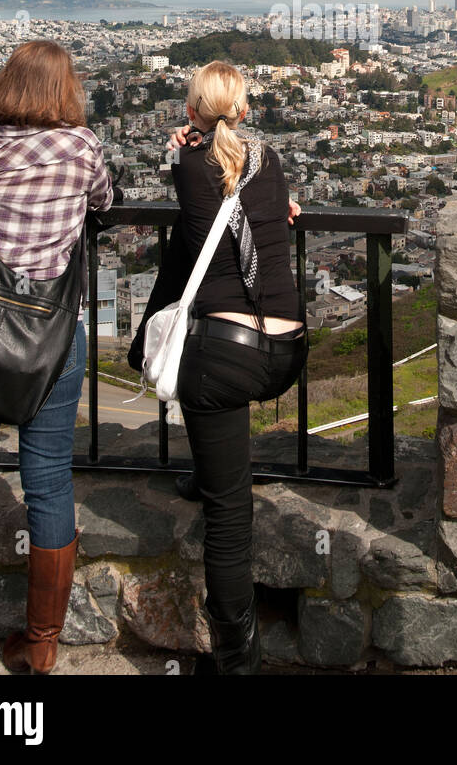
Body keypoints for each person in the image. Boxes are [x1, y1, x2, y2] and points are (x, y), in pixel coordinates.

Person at [0, 39, 113, 675]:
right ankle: (42, 642)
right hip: (52, 339)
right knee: (49, 481)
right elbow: (103, 203)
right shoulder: (83, 149)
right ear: (67, 91)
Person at [127, 60, 306, 675]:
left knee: (231, 515)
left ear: (190, 112)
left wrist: (180, 145)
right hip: (287, 348)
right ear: (247, 110)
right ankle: (209, 475)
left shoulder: (188, 163)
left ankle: (237, 662)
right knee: (221, 462)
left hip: (227, 354)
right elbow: (249, 201)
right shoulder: (270, 162)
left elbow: (199, 202)